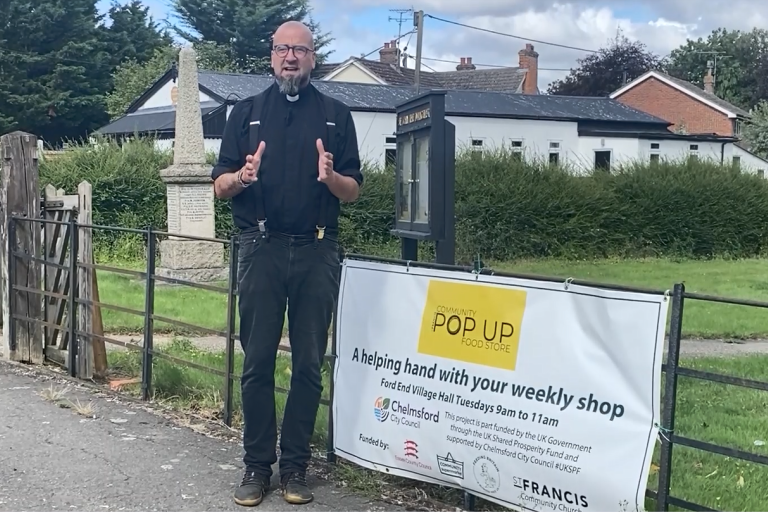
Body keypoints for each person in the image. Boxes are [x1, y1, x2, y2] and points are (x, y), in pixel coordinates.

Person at [210, 20, 363, 507]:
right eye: (282, 49)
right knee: (255, 363)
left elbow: (354, 190)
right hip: (261, 249)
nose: (290, 57)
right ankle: (257, 466)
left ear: (313, 58)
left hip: (318, 251)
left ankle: (295, 466)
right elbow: (218, 185)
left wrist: (332, 177)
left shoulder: (337, 116)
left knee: (308, 366)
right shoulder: (246, 114)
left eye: (299, 49)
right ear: (271, 56)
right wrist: (241, 177)